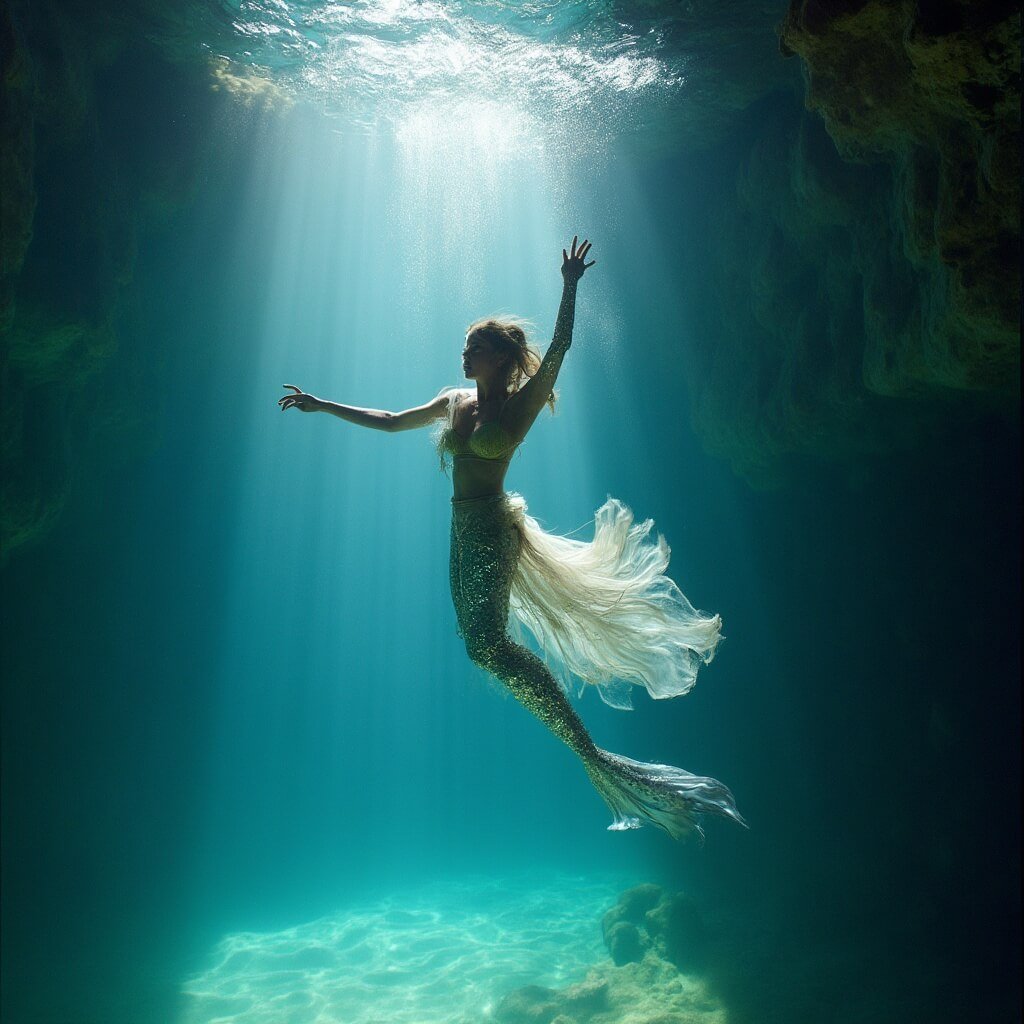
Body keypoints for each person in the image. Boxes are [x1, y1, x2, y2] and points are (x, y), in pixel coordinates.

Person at [278, 237, 745, 841]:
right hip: (462, 529)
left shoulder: (518, 408)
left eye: (474, 347)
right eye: (466, 346)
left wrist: (570, 285)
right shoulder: (455, 400)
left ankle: (586, 747)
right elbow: (391, 421)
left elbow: (561, 347)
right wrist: (321, 405)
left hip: (493, 532)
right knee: (481, 646)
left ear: (499, 356)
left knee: (486, 644)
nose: (464, 354)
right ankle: (586, 748)